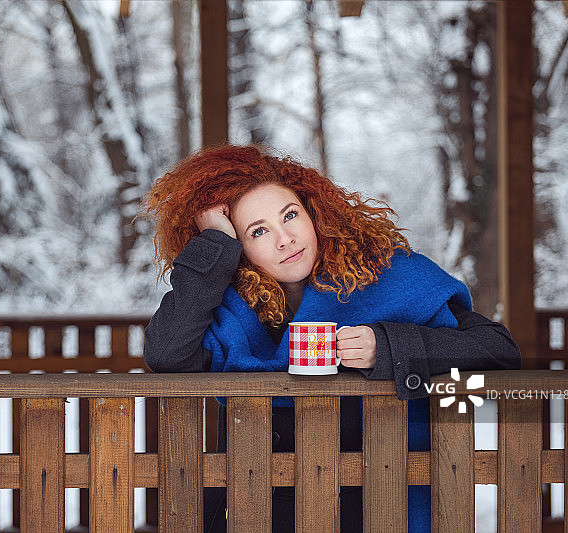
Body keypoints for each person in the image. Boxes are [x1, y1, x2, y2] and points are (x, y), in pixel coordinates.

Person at [142, 144, 521, 533]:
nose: (285, 239)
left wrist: (387, 347)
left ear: (315, 213)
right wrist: (215, 245)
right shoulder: (223, 307)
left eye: (290, 215)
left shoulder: (388, 274)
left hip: (375, 505)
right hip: (254, 510)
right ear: (238, 248)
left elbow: (499, 350)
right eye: (258, 231)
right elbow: (167, 353)